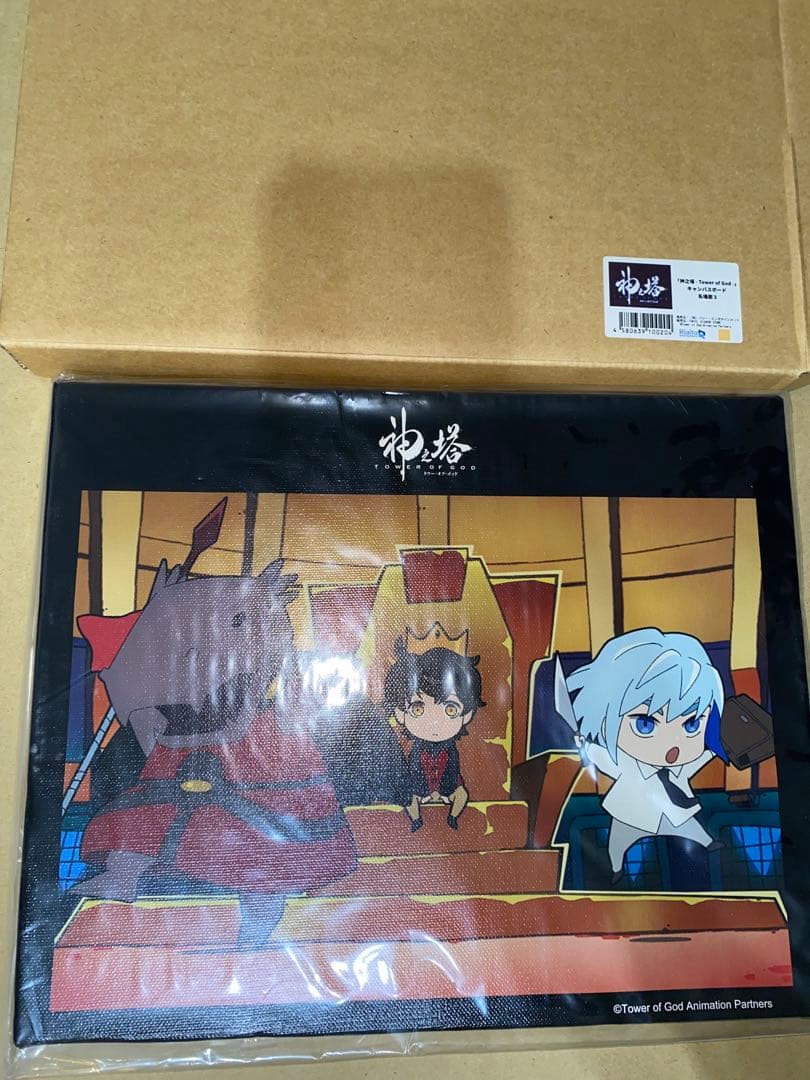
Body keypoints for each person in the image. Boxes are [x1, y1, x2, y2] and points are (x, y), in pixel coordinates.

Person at [555, 628, 727, 884]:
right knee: (618, 842)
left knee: (690, 827)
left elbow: (696, 761)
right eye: (645, 724)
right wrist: (584, 745)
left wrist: (713, 750)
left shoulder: (679, 766)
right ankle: (616, 867)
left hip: (672, 811)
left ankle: (707, 842)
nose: (671, 745)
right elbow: (600, 757)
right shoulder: (624, 761)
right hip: (631, 812)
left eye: (691, 725)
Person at [384, 640, 484, 831]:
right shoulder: (417, 750)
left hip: (447, 786)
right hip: (420, 788)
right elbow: (414, 770)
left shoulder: (450, 749)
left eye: (450, 709)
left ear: (467, 714)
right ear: (400, 713)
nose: (435, 721)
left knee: (461, 795)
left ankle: (453, 818)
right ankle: (416, 820)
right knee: (408, 797)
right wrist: (426, 793)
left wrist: (443, 792)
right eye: (418, 708)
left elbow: (452, 770)